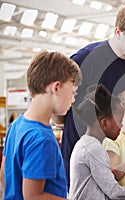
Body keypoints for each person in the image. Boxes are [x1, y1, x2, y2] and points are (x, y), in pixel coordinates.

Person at [51, 2, 125, 189]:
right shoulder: (86, 58)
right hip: (78, 154)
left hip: (112, 157)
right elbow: (56, 100)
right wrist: (63, 121)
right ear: (118, 32)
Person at [0, 51, 81, 200]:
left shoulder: (16, 125)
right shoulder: (42, 139)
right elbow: (33, 196)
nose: (73, 100)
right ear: (56, 87)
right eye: (73, 92)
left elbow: (4, 175)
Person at [68, 84, 125, 200]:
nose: (121, 126)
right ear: (105, 123)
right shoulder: (93, 148)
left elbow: (107, 179)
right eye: (120, 121)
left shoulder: (88, 144)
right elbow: (114, 192)